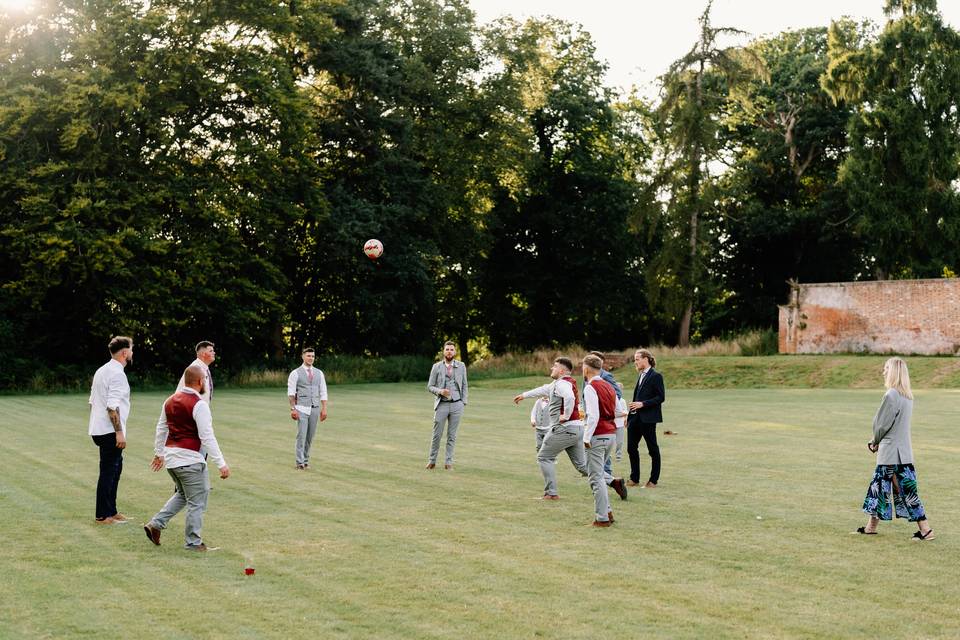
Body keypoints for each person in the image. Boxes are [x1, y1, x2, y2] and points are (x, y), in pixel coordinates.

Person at [144, 365, 230, 551]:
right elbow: (207, 436)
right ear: (199, 381)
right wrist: (221, 463)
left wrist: (159, 453)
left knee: (183, 495)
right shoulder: (199, 404)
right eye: (204, 380)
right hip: (190, 460)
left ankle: (155, 524)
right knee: (197, 502)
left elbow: (161, 429)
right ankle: (193, 542)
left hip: (172, 460)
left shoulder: (169, 401)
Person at [856, 357, 935, 540]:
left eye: (886, 368)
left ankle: (926, 530)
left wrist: (874, 441)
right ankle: (870, 527)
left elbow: (882, 425)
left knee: (897, 490)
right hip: (903, 453)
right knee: (882, 488)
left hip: (890, 453)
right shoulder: (907, 396)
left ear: (893, 371)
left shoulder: (891, 395)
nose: (883, 371)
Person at [514, 357, 588, 500]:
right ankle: (613, 481)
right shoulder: (557, 384)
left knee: (544, 457)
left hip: (565, 428)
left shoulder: (562, 384)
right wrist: (524, 395)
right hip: (577, 429)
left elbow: (570, 397)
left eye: (554, 367)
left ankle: (551, 493)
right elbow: (542, 390)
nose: (551, 368)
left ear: (561, 371)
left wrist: (566, 415)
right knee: (582, 466)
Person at [88, 336, 133, 525]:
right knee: (108, 471)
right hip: (109, 431)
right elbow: (111, 407)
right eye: (131, 349)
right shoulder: (117, 374)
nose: (132, 353)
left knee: (115, 468)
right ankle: (102, 516)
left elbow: (91, 402)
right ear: (124, 353)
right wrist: (119, 432)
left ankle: (112, 511)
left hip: (100, 429)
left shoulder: (102, 370)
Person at [582, 354, 618, 526]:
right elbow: (619, 410)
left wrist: (586, 437)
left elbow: (593, 415)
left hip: (598, 435)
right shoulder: (609, 386)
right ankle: (608, 512)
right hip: (611, 434)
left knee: (596, 478)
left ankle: (602, 518)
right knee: (600, 476)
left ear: (587, 368)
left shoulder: (591, 387)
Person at [627, 348, 665, 489]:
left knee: (652, 450)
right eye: (635, 359)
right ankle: (634, 478)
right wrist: (629, 416)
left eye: (637, 359)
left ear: (646, 359)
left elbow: (660, 397)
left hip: (648, 419)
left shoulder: (656, 376)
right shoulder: (641, 375)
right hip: (634, 419)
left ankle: (653, 481)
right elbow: (636, 398)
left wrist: (643, 404)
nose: (635, 362)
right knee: (631, 448)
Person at [426, 341, 468, 470]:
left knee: (452, 436)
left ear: (455, 352)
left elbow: (465, 385)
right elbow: (430, 386)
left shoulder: (461, 366)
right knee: (437, 435)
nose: (449, 351)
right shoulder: (436, 367)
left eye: (451, 349)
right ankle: (432, 461)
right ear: (443, 352)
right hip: (442, 405)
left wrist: (463, 402)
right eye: (447, 349)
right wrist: (440, 391)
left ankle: (448, 463)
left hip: (457, 405)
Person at [287, 348, 328, 470]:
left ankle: (305, 460)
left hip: (315, 408)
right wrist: (293, 408)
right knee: (301, 436)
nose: (311, 358)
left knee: (310, 436)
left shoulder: (319, 373)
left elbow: (323, 391)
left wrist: (324, 408)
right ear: (303, 356)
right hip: (301, 408)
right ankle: (299, 462)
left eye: (313, 356)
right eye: (308, 356)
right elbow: (291, 393)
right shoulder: (295, 373)